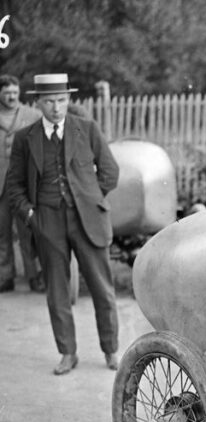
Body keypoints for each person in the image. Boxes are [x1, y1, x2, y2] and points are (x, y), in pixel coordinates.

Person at [5, 74, 120, 375]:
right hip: (47, 221)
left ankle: (110, 350)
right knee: (57, 292)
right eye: (49, 101)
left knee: (102, 289)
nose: (56, 108)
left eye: (61, 100)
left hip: (88, 220)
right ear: (38, 102)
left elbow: (110, 172)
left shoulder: (87, 129)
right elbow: (14, 186)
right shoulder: (25, 138)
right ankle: (68, 353)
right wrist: (32, 215)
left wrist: (91, 200)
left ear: (68, 100)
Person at [0, 74, 44, 293]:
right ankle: (5, 277)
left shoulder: (33, 116)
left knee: (29, 229)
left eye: (15, 93)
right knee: (1, 232)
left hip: (24, 184)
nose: (11, 97)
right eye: (6, 92)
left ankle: (34, 276)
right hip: (0, 187)